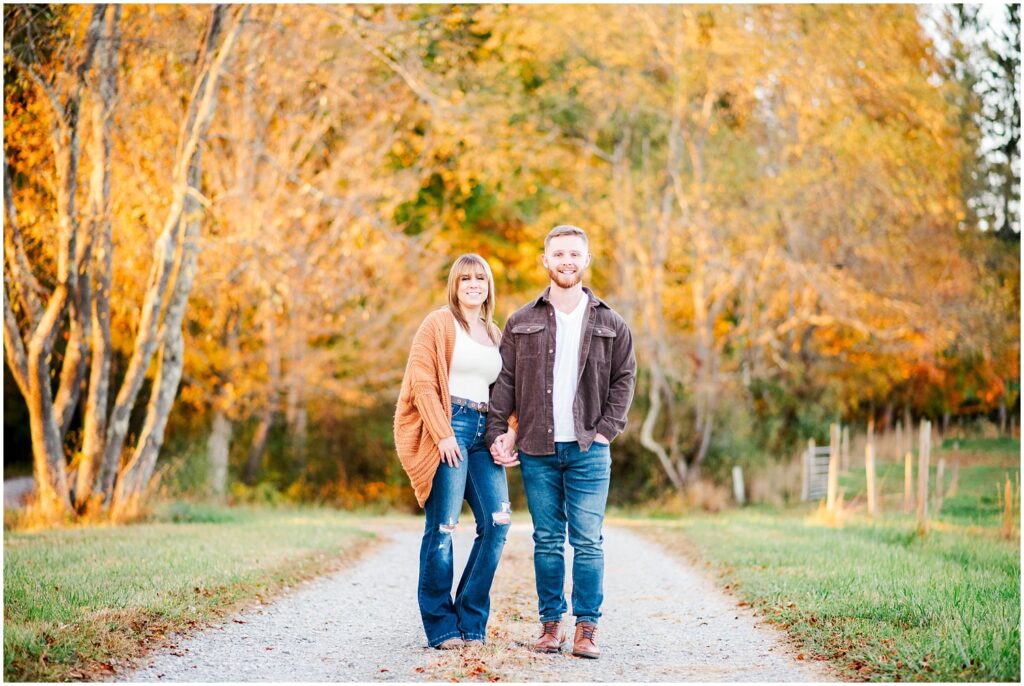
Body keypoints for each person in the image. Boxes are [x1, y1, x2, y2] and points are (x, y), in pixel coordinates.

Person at [486, 225, 636, 659]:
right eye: (559, 254)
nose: (567, 261)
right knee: (547, 540)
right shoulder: (521, 320)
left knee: (588, 541)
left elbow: (625, 380)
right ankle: (551, 626)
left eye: (575, 254)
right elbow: (506, 382)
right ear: (545, 260)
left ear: (586, 261)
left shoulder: (612, 322)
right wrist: (500, 431)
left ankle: (587, 629)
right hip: (537, 448)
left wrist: (607, 429)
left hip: (591, 448)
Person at [394, 254, 518, 650]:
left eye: (480, 278)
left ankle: (470, 618)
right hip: (449, 427)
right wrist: (442, 432)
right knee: (444, 526)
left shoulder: (495, 333)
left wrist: (507, 434)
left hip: (484, 433)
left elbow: (506, 394)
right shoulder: (438, 323)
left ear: (488, 285)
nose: (473, 284)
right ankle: (440, 625)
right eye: (465, 278)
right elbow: (422, 380)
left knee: (498, 523)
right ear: (455, 284)